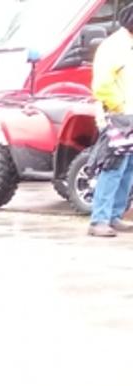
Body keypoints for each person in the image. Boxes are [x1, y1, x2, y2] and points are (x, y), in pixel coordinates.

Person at [88, 6, 133, 238]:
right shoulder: (114, 46)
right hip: (118, 117)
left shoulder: (128, 44)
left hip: (129, 116)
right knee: (113, 167)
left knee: (128, 168)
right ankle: (100, 219)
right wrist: (119, 108)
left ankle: (114, 215)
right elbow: (102, 85)